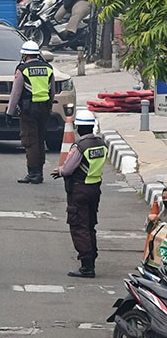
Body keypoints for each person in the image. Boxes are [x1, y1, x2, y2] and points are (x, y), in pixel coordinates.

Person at [52, 110, 106, 278]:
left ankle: (86, 266)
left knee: (79, 226)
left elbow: (68, 169)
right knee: (90, 225)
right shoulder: (101, 144)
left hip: (80, 190)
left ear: (78, 127)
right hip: (94, 188)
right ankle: (91, 259)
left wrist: (60, 171)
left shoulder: (80, 146)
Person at [6, 41, 55, 184]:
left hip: (29, 110)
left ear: (25, 54)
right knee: (40, 139)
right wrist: (49, 105)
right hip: (45, 109)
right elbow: (52, 91)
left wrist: (9, 112)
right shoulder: (48, 68)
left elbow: (15, 94)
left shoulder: (23, 70)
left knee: (30, 140)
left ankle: (33, 173)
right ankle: (39, 170)